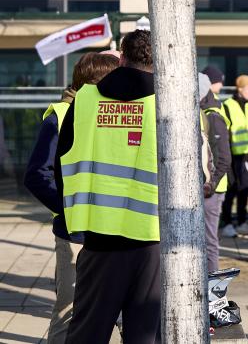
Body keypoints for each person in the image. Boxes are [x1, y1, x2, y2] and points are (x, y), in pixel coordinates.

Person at [55, 30, 161, 344]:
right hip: (152, 238)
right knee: (144, 336)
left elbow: (61, 162)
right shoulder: (170, 103)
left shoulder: (85, 100)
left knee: (87, 334)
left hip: (98, 240)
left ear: (122, 58)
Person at [24, 52, 118, 344]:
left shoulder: (107, 112)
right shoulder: (61, 115)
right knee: (69, 311)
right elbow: (37, 174)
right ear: (97, 81)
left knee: (107, 310)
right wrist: (70, 209)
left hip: (107, 228)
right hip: (73, 233)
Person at [198, 70, 231, 272]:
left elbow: (224, 158)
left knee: (209, 243)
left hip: (212, 190)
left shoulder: (212, 116)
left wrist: (211, 184)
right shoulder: (206, 111)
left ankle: (214, 295)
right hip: (209, 187)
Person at [221, 75, 248, 237]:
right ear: (240, 89)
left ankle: (242, 222)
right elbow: (226, 133)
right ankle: (228, 223)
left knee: (244, 189)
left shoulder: (247, 105)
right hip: (235, 156)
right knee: (232, 189)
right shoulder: (229, 106)